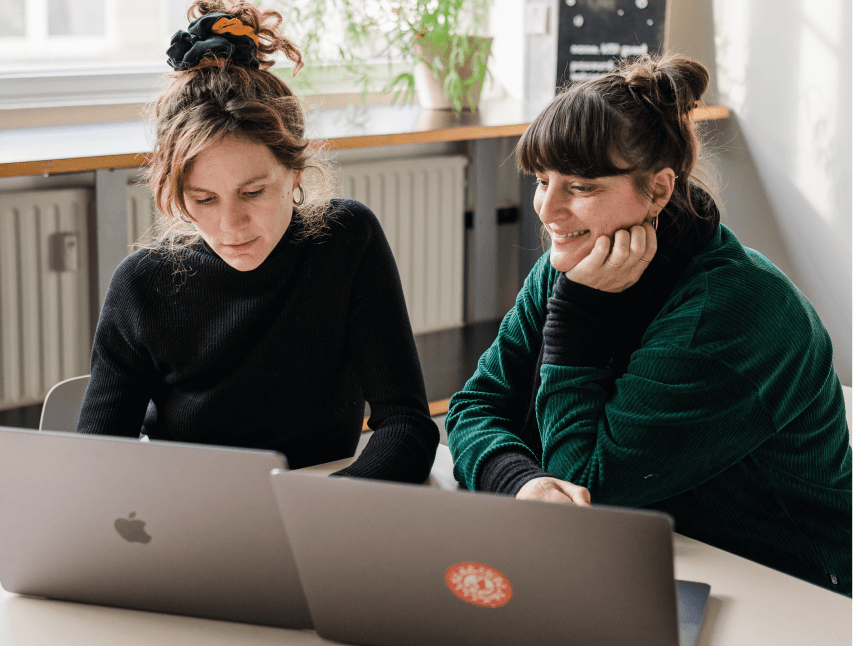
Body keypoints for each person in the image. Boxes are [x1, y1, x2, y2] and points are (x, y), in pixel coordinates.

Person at [446, 54, 852, 595]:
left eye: (581, 187)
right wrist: (520, 482)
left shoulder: (726, 315)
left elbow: (589, 494)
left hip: (790, 584)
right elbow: (474, 406)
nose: (548, 210)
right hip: (663, 554)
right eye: (543, 180)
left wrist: (577, 319)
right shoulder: (575, 263)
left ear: (659, 190)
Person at [77, 0, 438, 483]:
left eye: (253, 192)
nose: (231, 225)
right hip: (190, 514)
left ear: (294, 173)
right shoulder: (142, 284)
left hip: (323, 506)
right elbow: (96, 463)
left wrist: (324, 509)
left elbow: (408, 425)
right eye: (203, 199)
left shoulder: (345, 240)